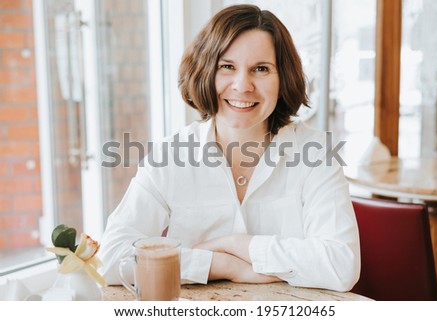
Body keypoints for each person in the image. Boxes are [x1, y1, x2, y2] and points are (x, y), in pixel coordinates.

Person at [98, 4, 360, 292]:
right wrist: (223, 265)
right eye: (227, 66)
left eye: (261, 69)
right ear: (205, 72)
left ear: (283, 77)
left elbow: (341, 265)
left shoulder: (316, 153)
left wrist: (237, 244)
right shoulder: (169, 157)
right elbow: (112, 258)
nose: (242, 85)